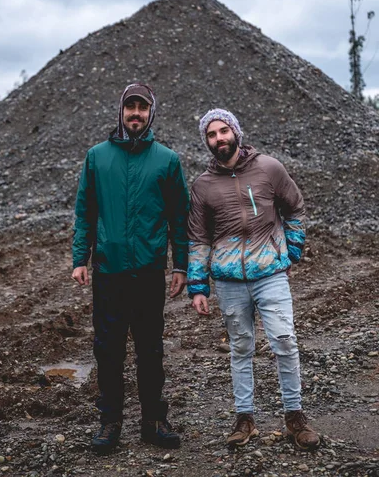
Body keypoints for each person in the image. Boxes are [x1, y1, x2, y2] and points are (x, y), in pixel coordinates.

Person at [187, 108, 320, 451]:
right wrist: (198, 286)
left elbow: (294, 208)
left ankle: (295, 416)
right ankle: (244, 418)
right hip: (229, 281)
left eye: (222, 131)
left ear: (235, 132)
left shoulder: (269, 168)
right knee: (241, 348)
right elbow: (198, 239)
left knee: (285, 340)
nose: (218, 139)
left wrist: (291, 252)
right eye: (211, 135)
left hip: (270, 274)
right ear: (207, 141)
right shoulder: (202, 186)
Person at [72, 83, 189, 453]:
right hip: (109, 272)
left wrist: (180, 266)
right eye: (130, 107)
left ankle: (154, 420)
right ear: (120, 112)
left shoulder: (167, 160)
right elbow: (84, 213)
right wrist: (80, 259)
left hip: (149, 271)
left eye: (142, 108)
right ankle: (110, 423)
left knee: (150, 349)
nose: (135, 113)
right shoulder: (97, 157)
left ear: (151, 113)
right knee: (107, 350)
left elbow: (179, 219)